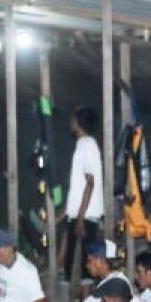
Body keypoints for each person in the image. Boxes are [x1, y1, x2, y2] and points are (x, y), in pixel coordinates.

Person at [63, 105, 104, 287]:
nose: (70, 123)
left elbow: (90, 182)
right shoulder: (84, 144)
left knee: (82, 263)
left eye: (73, 120)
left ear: (79, 123)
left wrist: (80, 218)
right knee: (75, 261)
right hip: (81, 214)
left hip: (85, 215)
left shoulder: (86, 145)